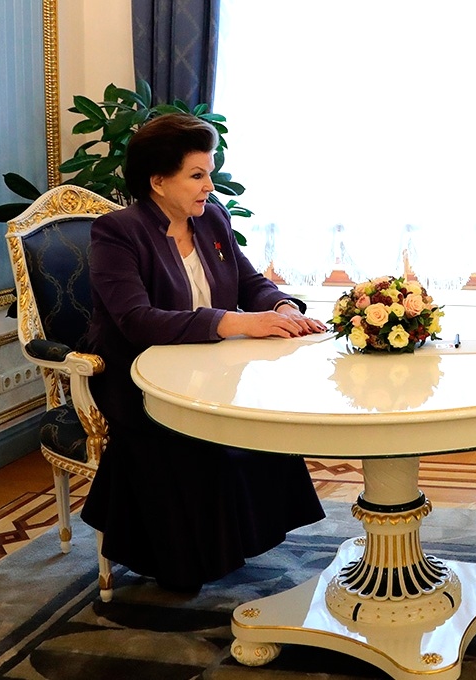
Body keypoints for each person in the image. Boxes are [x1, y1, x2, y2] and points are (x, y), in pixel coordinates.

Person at [79, 113, 327, 592]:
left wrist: (278, 306)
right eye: (197, 175)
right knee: (189, 441)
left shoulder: (211, 217)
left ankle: (236, 544)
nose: (210, 186)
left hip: (212, 369)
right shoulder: (118, 233)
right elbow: (136, 320)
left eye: (209, 172)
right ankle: (184, 561)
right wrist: (234, 322)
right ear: (157, 180)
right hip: (138, 379)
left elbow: (249, 281)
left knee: (265, 424)